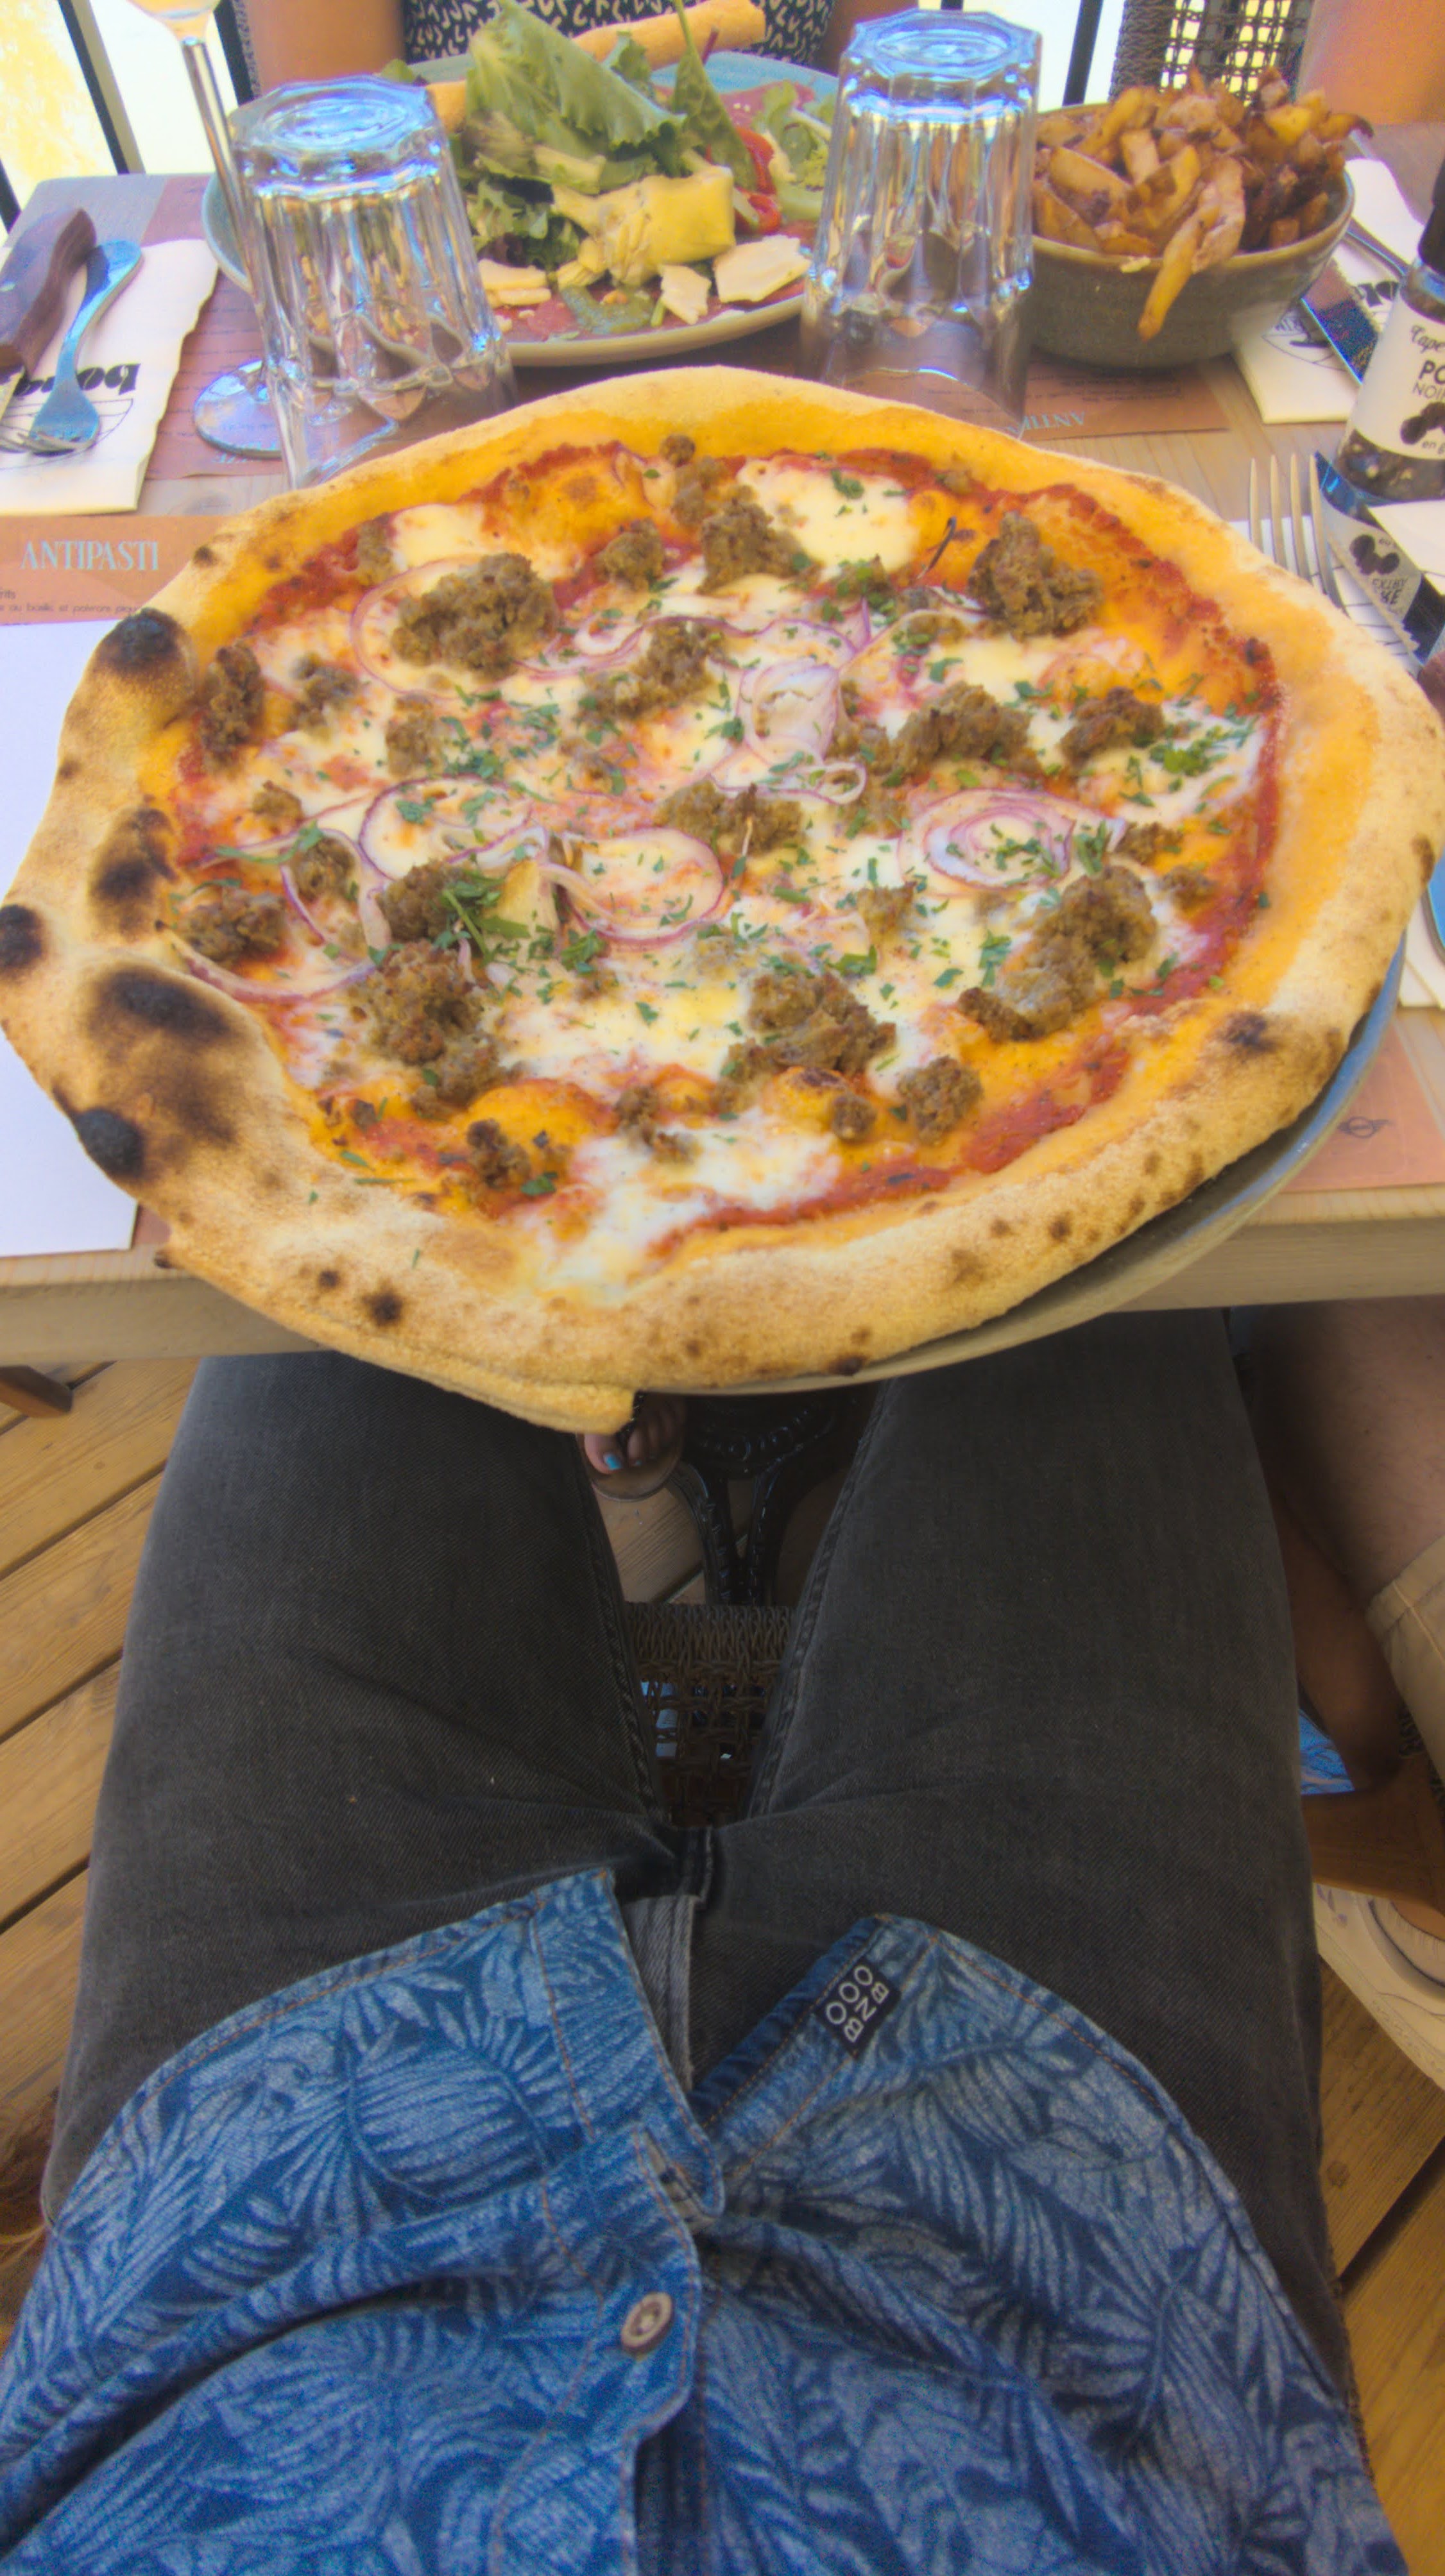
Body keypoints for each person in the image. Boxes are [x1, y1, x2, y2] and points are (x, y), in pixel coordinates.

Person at [0, 1317, 1405, 2566]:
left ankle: (729, 1410)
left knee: (337, 1248)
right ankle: (773, 1446)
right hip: (1071, 2209)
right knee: (1104, 1299)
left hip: (266, 2168)